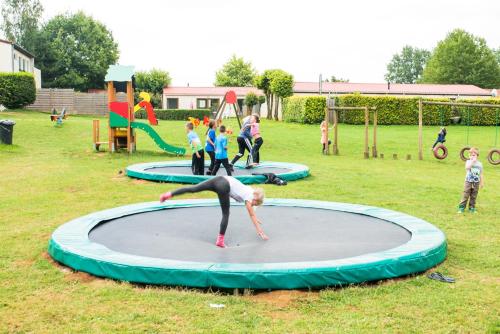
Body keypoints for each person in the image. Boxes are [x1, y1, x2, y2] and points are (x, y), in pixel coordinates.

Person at [159, 176, 268, 248]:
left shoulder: (250, 190)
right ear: (255, 199)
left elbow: (252, 212)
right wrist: (260, 230)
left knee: (193, 188)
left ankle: (168, 195)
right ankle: (220, 240)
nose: (253, 205)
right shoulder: (249, 197)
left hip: (219, 179)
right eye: (255, 204)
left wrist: (256, 218)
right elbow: (251, 214)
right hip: (224, 186)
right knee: (226, 214)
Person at [457, 147, 484, 213]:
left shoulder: (480, 164)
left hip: (476, 182)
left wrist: (482, 183)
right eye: (470, 155)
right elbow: (467, 168)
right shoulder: (468, 162)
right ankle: (461, 207)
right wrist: (472, 162)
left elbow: (481, 174)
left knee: (474, 195)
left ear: (477, 156)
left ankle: (472, 208)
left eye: (474, 155)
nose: (472, 156)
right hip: (468, 181)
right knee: (466, 194)